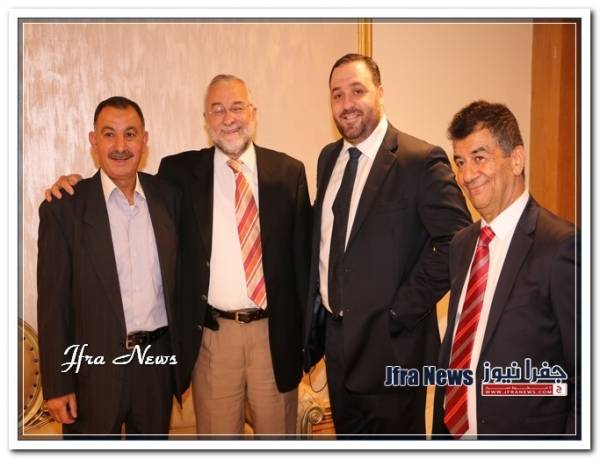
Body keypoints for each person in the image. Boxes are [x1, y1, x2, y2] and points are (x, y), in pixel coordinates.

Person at [45, 75, 311, 437]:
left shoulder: (289, 173)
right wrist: (67, 185)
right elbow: (55, 302)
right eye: (217, 109)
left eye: (237, 107)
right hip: (210, 340)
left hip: (270, 337)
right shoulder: (179, 175)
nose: (228, 118)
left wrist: (308, 342)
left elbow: (304, 264)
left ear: (253, 112)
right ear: (205, 119)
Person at [303, 53, 472, 437]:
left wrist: (399, 311)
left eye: (357, 91)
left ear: (380, 92)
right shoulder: (328, 159)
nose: (346, 104)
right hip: (338, 350)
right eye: (337, 95)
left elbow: (458, 242)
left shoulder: (419, 160)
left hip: (394, 349)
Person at [37, 96, 184, 438]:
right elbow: (54, 305)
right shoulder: (64, 207)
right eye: (109, 134)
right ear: (93, 141)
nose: (120, 146)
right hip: (91, 370)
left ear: (144, 140)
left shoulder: (169, 198)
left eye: (130, 134)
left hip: (156, 366)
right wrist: (57, 385)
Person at [432, 101, 577, 439]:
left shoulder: (561, 246)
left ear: (516, 159)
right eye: (460, 162)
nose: (467, 175)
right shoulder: (462, 244)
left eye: (479, 158)